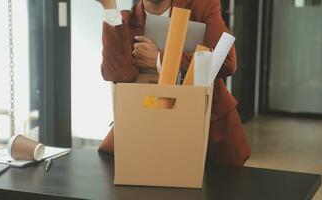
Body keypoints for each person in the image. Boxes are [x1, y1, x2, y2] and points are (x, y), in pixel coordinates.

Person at [97, 0, 251, 166]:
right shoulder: (126, 20)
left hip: (207, 133)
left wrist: (160, 59)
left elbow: (227, 60)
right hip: (148, 130)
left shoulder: (202, 7)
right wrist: (109, 7)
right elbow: (119, 74)